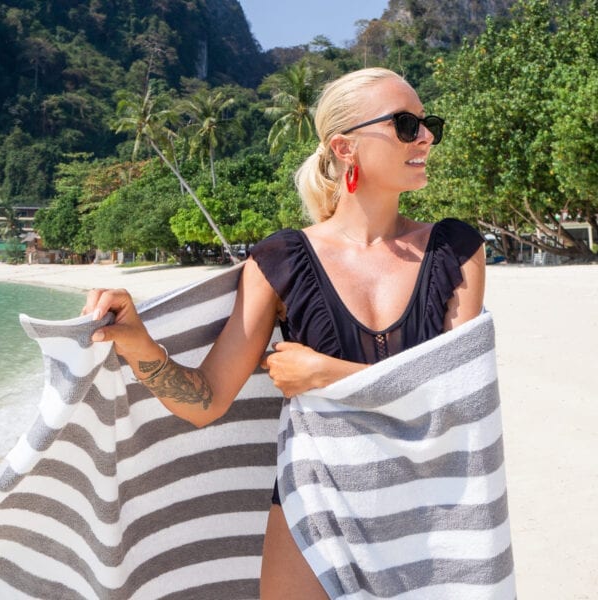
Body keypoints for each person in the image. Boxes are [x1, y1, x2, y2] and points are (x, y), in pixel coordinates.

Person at [83, 67, 485, 599]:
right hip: (314, 508)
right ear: (346, 146)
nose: (427, 136)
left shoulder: (454, 250)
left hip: (428, 505)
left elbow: (460, 398)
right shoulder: (281, 260)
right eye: (406, 124)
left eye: (427, 123)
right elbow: (204, 401)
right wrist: (137, 341)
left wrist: (328, 373)